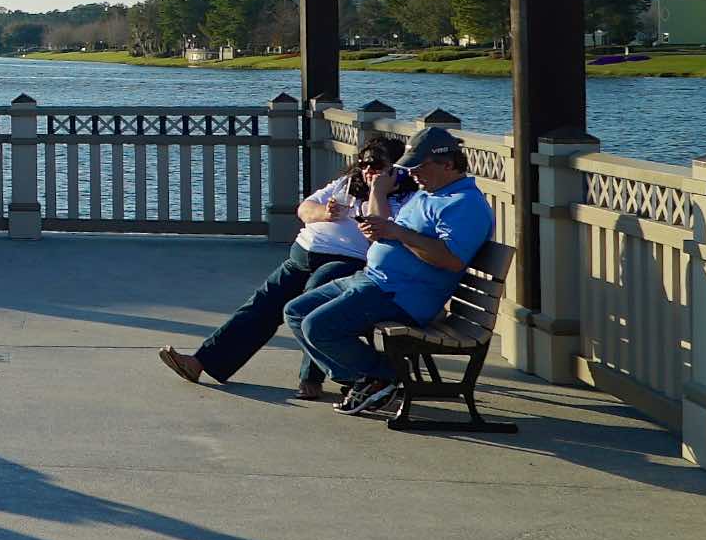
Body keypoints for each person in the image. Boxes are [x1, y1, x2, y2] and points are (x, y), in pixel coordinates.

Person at [158, 135, 409, 399]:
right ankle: (201, 363)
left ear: (396, 169)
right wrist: (324, 213)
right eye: (364, 164)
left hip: (346, 261)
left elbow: (379, 235)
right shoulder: (346, 184)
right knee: (262, 304)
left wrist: (377, 191)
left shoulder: (402, 200)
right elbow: (304, 208)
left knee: (312, 300)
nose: (369, 171)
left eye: (377, 165)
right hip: (303, 254)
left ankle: (311, 377)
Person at [282, 125, 496, 417]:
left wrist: (397, 233)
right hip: (372, 279)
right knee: (295, 311)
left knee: (317, 327)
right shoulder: (427, 194)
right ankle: (368, 381)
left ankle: (388, 375)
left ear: (447, 164)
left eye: (419, 167)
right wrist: (381, 225)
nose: (413, 174)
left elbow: (452, 259)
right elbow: (389, 234)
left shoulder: (465, 204)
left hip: (401, 294)